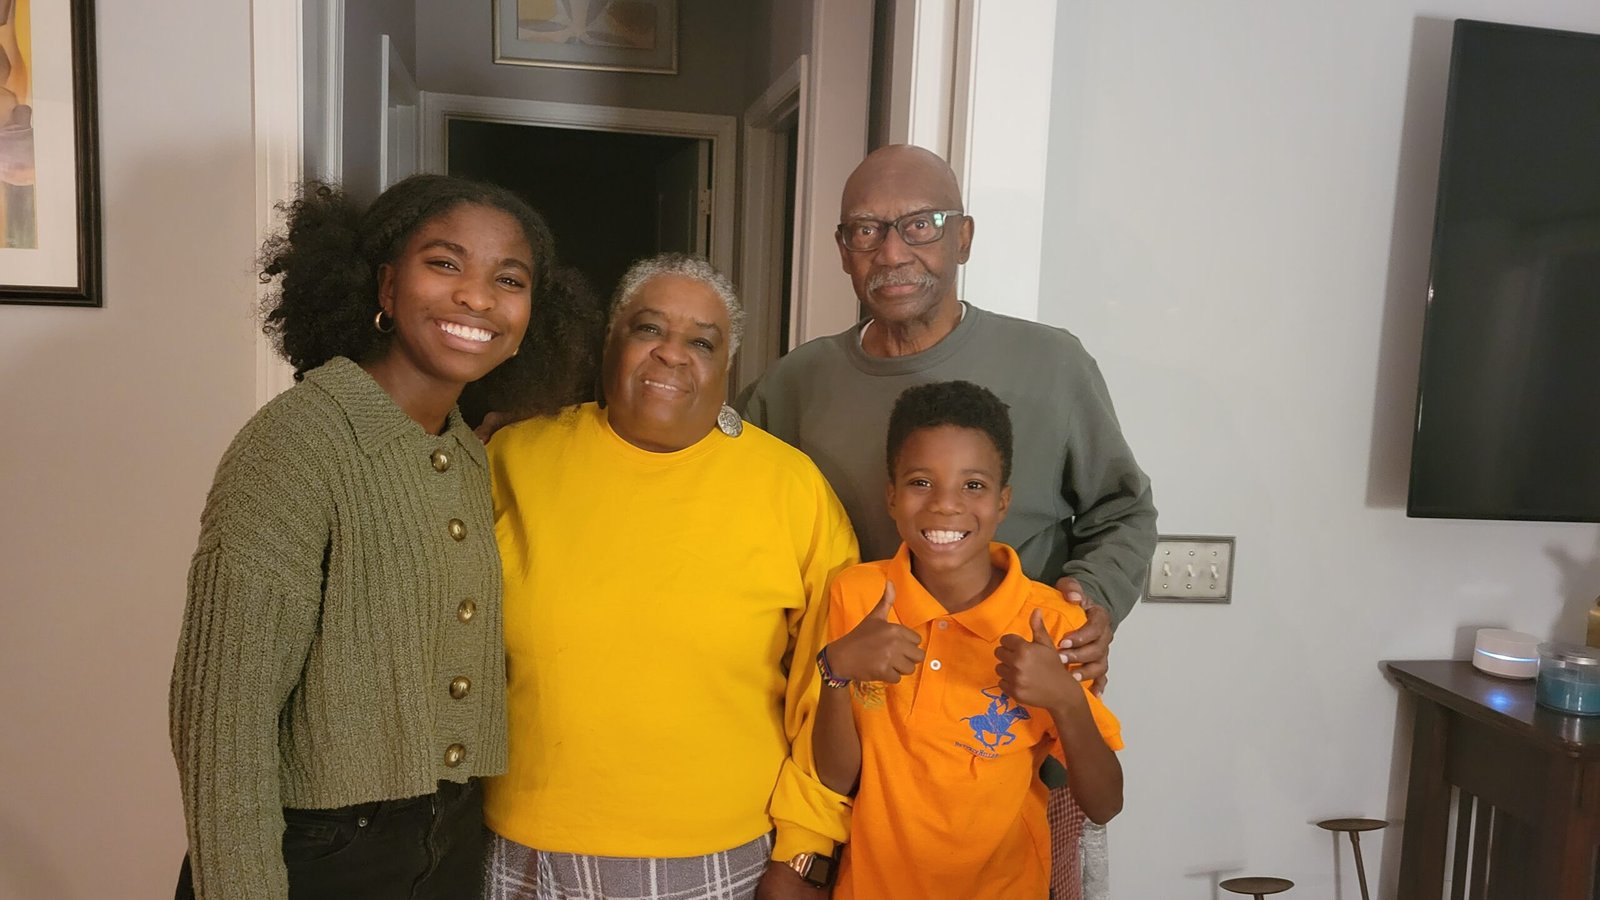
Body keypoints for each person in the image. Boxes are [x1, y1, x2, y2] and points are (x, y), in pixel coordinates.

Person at [739, 144, 1156, 898]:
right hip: (865, 737)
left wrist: (1090, 599)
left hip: (1012, 741)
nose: (892, 251)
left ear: (963, 237)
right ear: (842, 249)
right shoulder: (798, 382)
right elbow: (732, 499)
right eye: (866, 230)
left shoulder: (1052, 364)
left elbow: (1121, 506)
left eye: (921, 225)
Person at [169, 174, 600, 900]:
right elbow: (221, 721)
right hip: (320, 851)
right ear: (387, 286)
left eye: (509, 279)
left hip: (450, 840)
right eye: (445, 263)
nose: (477, 297)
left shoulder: (463, 452)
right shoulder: (297, 443)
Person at [482, 253, 858, 900]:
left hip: (714, 857)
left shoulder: (791, 489)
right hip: (521, 849)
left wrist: (805, 851)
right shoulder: (515, 456)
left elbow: (829, 686)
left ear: (727, 366)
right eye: (649, 328)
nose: (671, 354)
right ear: (610, 341)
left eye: (701, 342)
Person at [813, 380, 1123, 899]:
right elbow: (836, 778)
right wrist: (835, 669)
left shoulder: (1052, 624)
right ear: (890, 496)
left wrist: (1066, 700)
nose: (945, 505)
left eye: (973, 485)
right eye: (921, 482)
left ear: (1003, 502)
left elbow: (1105, 803)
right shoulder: (857, 595)